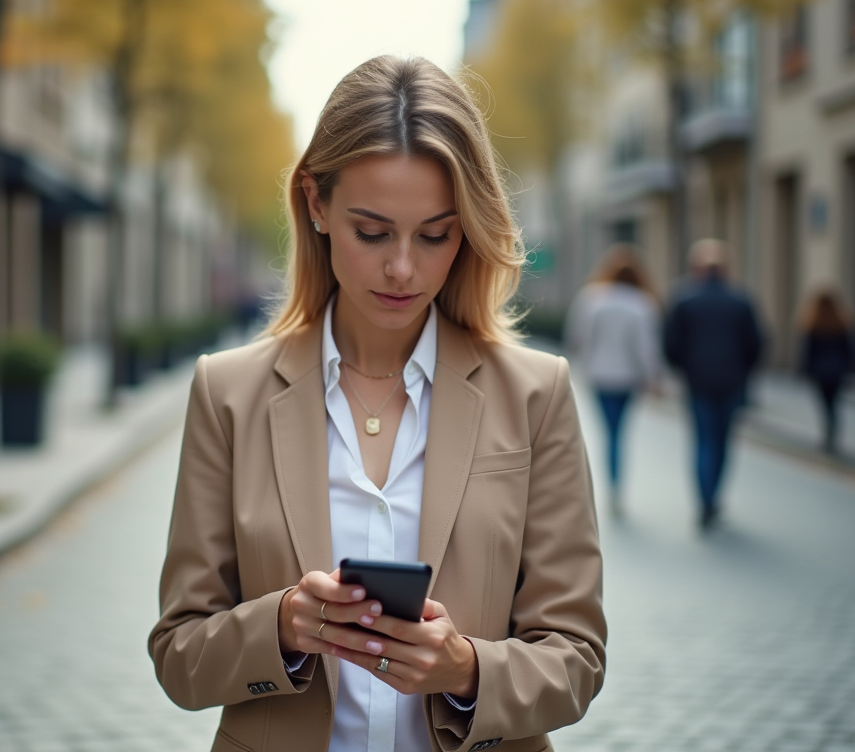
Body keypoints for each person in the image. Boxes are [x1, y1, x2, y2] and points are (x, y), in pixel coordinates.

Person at [149, 56, 605, 752]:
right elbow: (179, 656)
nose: (402, 267)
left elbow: (577, 657)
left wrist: (466, 669)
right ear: (316, 203)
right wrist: (283, 627)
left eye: (435, 234)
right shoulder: (228, 393)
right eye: (372, 231)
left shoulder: (535, 394)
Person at [663, 239, 763, 531]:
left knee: (703, 439)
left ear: (696, 268)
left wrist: (684, 369)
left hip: (698, 382)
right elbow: (756, 343)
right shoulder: (741, 299)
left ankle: (705, 500)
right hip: (732, 382)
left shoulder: (684, 300)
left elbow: (671, 344)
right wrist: (744, 371)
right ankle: (714, 496)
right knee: (723, 440)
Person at [564, 244, 661, 516]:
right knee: (620, 433)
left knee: (608, 432)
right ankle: (617, 486)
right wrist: (653, 378)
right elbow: (646, 348)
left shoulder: (592, 298)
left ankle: (610, 485)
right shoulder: (642, 303)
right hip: (627, 379)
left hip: (599, 376)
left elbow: (577, 337)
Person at [797, 288, 854, 452]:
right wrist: (849, 367)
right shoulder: (841, 324)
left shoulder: (813, 324)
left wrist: (804, 371)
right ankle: (832, 430)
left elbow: (808, 351)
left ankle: (828, 432)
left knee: (825, 403)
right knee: (834, 402)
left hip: (820, 372)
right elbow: (850, 349)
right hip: (837, 371)